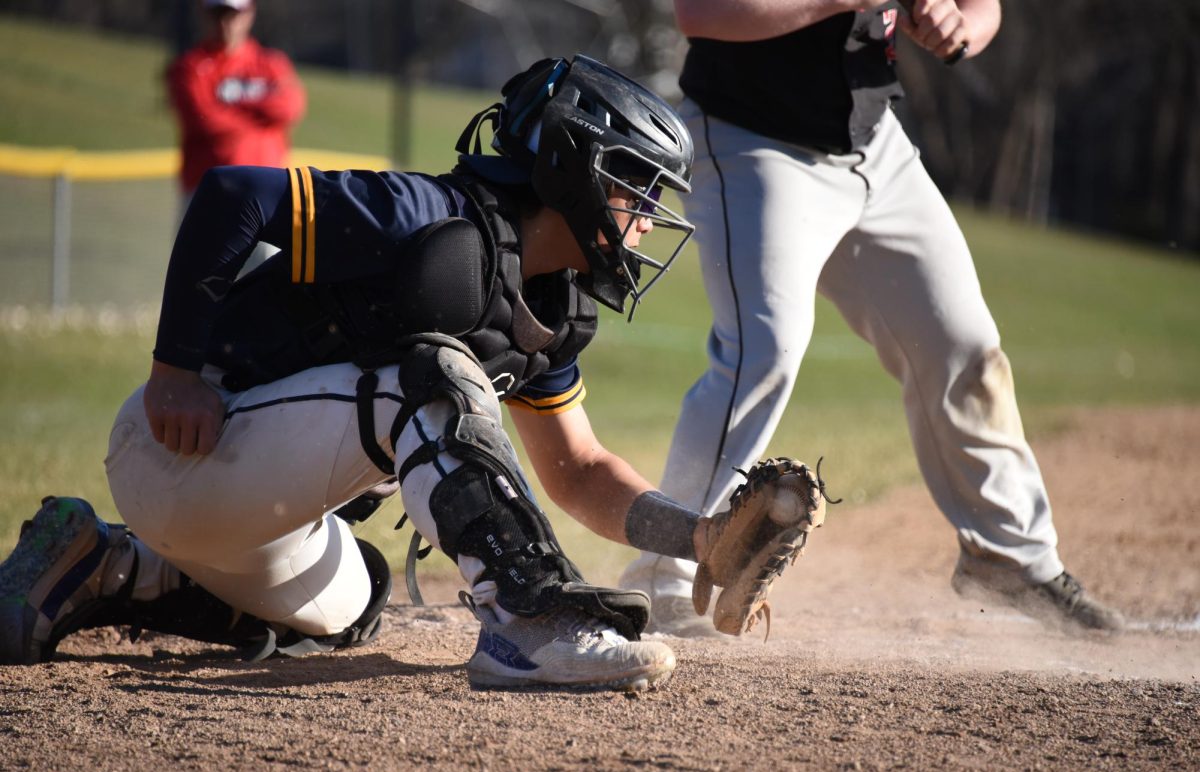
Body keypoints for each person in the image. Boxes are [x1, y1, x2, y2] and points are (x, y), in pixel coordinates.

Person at [0, 55, 817, 691]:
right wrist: (174, 370)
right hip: (179, 446)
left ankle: (104, 564)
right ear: (571, 165)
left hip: (257, 506)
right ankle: (528, 628)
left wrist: (700, 538)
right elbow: (230, 197)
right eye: (633, 185)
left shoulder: (550, 310)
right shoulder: (429, 218)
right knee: (430, 375)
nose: (646, 219)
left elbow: (580, 471)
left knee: (357, 602)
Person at [619, 0, 1126, 636]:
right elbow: (702, 13)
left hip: (874, 146)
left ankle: (1009, 557)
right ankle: (663, 577)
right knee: (763, 351)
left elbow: (982, 8)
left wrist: (959, 24)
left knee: (963, 347)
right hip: (752, 140)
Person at [167, 0, 306, 202]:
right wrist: (262, 118)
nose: (225, 22)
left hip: (268, 190)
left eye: (233, 14)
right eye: (218, 14)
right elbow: (205, 120)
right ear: (204, 15)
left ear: (250, 13)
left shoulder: (271, 64)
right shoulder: (190, 67)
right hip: (210, 191)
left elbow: (290, 108)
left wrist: (233, 105)